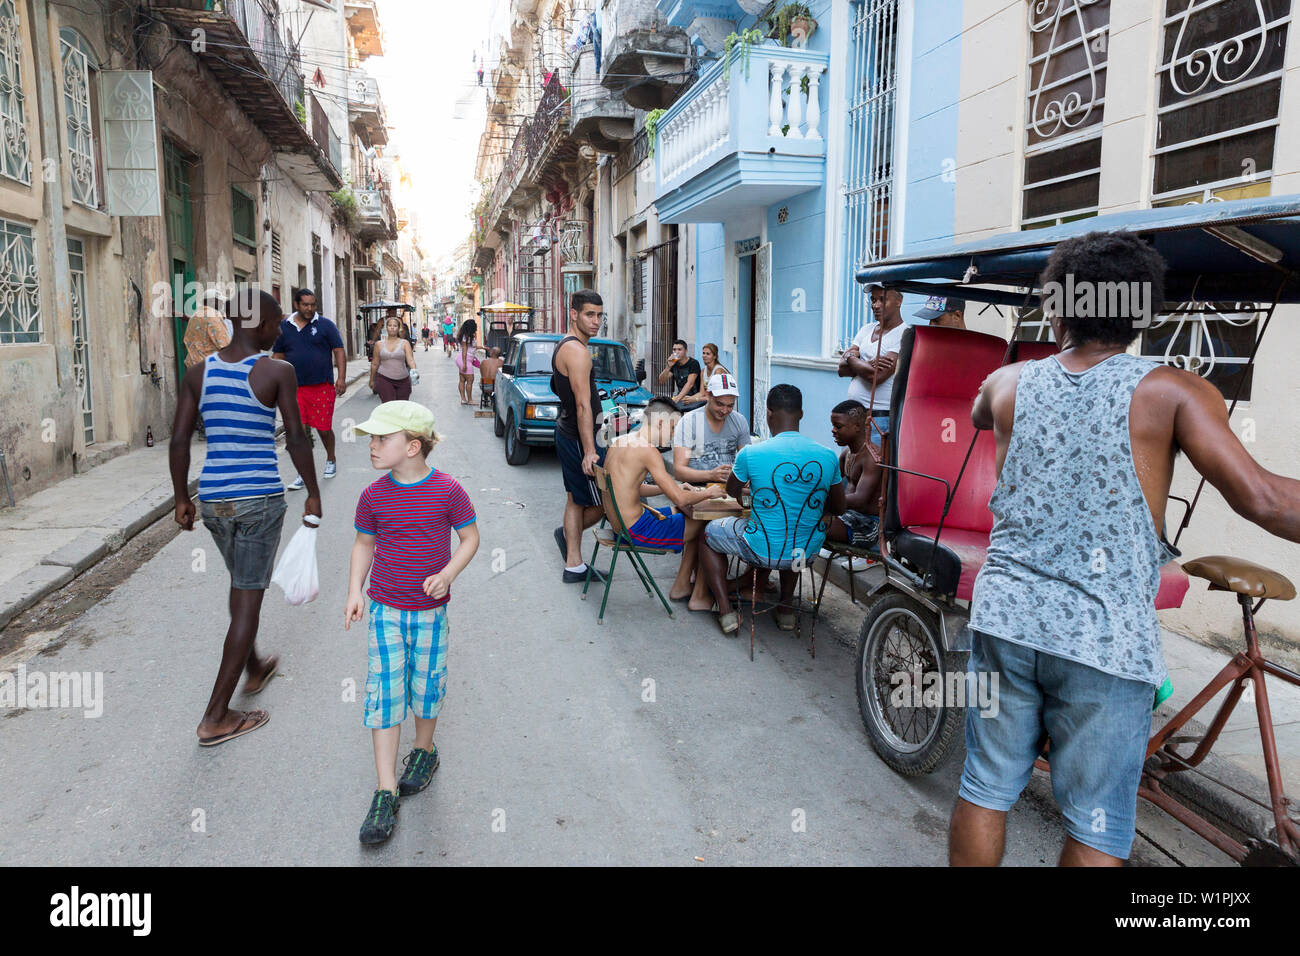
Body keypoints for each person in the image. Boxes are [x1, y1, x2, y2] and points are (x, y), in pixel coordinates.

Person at [948, 231, 1300, 868]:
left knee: (985, 788)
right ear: (1144, 314)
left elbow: (976, 411)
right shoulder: (1175, 392)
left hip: (1005, 618)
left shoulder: (1009, 384)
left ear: (1057, 309)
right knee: (1094, 825)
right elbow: (1266, 500)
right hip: (1102, 639)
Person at [169, 289, 322, 747]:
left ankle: (254, 665)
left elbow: (179, 440)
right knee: (248, 599)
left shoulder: (199, 373)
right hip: (258, 500)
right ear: (258, 323)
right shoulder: (277, 371)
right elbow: (296, 437)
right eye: (276, 323)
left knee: (240, 584)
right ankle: (216, 715)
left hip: (214, 500)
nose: (280, 330)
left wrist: (182, 498)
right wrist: (313, 492)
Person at [345, 400, 479, 845]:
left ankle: (424, 750)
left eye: (383, 439)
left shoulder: (448, 491)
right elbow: (364, 544)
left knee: (425, 686)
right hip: (385, 608)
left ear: (413, 446)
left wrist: (447, 574)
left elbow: (470, 538)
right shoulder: (373, 496)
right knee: (383, 692)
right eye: (373, 439)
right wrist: (353, 592)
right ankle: (384, 790)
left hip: (429, 612)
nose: (373, 446)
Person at [698, 384, 845, 634]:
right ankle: (786, 609)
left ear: (768, 413)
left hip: (760, 549)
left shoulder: (751, 453)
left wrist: (752, 493)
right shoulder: (828, 455)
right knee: (797, 535)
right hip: (806, 553)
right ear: (801, 414)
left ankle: (725, 611)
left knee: (708, 534)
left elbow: (733, 490)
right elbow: (839, 507)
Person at [601, 398, 726, 589]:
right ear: (660, 423)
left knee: (678, 510)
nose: (674, 435)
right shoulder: (648, 451)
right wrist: (710, 492)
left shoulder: (621, 441)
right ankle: (693, 590)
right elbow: (680, 498)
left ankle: (684, 583)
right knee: (705, 522)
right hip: (637, 531)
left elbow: (633, 487)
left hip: (621, 526)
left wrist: (667, 487)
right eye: (673, 428)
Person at [668, 373, 750, 604]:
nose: (725, 410)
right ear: (707, 396)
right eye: (719, 404)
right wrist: (710, 475)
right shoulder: (690, 422)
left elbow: (747, 464)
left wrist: (739, 482)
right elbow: (680, 471)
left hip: (727, 491)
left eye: (730, 406)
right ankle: (704, 589)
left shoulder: (739, 422)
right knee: (709, 527)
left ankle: (692, 585)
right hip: (696, 489)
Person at [550, 289, 610, 584]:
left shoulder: (565, 345)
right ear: (573, 314)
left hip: (569, 432)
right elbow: (583, 405)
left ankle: (574, 563)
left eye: (600, 315)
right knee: (604, 500)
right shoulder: (577, 351)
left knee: (576, 498)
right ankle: (568, 537)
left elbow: (557, 387)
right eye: (590, 314)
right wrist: (589, 450)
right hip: (577, 437)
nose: (596, 321)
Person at [273, 288, 346, 487]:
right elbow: (278, 357)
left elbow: (339, 351)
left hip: (321, 386)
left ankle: (331, 459)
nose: (310, 308)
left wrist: (341, 378)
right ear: (296, 304)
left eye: (313, 304)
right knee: (298, 432)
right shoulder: (284, 327)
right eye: (305, 304)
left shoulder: (325, 325)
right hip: (294, 389)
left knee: (323, 429)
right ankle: (303, 473)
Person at [839, 285, 906, 447]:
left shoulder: (904, 333)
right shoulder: (866, 330)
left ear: (899, 301)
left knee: (874, 469)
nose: (875, 305)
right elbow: (841, 369)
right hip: (855, 420)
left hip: (879, 420)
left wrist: (851, 359)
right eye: (873, 299)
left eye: (882, 299)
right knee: (852, 467)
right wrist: (865, 364)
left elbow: (876, 376)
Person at [822, 401, 883, 562]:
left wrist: (824, 500)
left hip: (868, 525)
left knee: (804, 526)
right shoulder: (846, 453)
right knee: (797, 518)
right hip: (847, 516)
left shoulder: (872, 457)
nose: (833, 430)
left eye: (838, 426)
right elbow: (826, 483)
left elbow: (860, 500)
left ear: (857, 426)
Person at [369, 315, 417, 403]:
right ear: (386, 328)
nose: (392, 328)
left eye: (395, 326)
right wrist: (371, 380)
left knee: (401, 407)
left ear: (398, 328)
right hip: (384, 379)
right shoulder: (379, 344)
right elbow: (375, 363)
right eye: (390, 325)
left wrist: (414, 370)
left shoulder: (405, 343)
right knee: (389, 406)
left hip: (403, 380)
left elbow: (410, 360)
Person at [182, 289, 231, 368]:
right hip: (208, 367)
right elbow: (224, 345)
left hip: (192, 366)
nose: (222, 303)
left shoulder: (195, 315)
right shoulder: (214, 316)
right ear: (212, 301)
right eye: (220, 301)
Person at [657, 339, 701, 409]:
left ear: (686, 351)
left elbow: (690, 384)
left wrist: (676, 400)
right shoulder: (674, 363)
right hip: (681, 399)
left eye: (679, 349)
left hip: (693, 398)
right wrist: (668, 367)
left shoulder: (693, 363)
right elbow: (661, 381)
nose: (676, 352)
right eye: (674, 350)